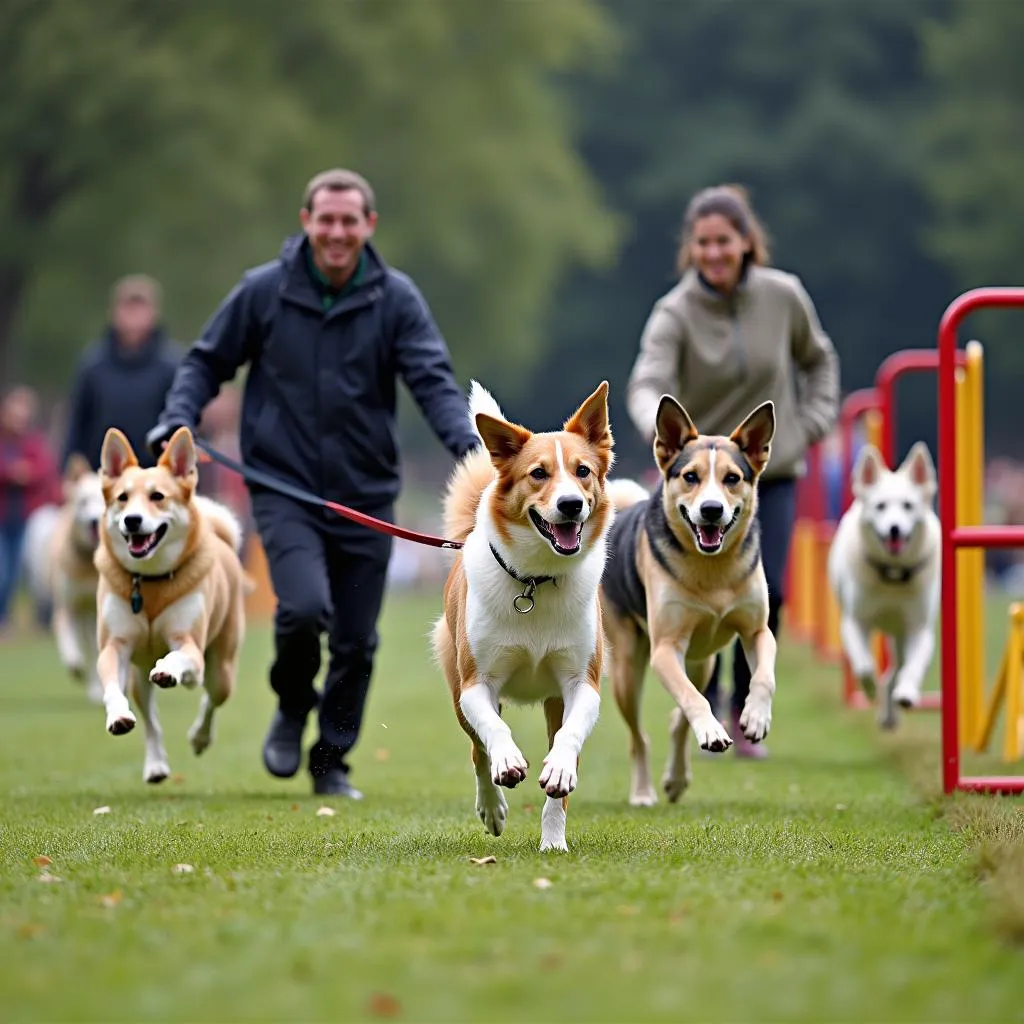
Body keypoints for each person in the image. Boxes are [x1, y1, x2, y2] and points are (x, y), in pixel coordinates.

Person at [146, 168, 480, 798]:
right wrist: (176, 418)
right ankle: (293, 706)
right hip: (284, 487)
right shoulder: (263, 292)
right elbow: (205, 362)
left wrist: (474, 450)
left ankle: (332, 761)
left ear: (368, 226)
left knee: (356, 640)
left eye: (349, 221)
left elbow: (432, 381)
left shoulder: (395, 299)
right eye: (325, 219)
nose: (336, 231)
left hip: (367, 495)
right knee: (301, 610)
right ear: (306, 221)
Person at [625, 184, 840, 758]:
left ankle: (748, 714)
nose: (714, 253)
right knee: (696, 590)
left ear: (746, 242)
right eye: (703, 243)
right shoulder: (674, 312)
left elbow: (818, 361)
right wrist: (663, 433)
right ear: (690, 249)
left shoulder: (783, 296)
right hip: (694, 477)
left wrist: (810, 425)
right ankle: (710, 698)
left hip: (767, 470)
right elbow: (647, 381)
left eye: (724, 241)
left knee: (773, 589)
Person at [62, 275, 181, 471]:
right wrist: (69, 464)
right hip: (102, 474)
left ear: (154, 313)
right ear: (114, 312)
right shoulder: (93, 364)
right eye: (128, 308)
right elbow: (78, 421)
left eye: (140, 308)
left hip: (156, 477)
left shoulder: (171, 366)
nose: (133, 316)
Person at [0, 387, 60, 635]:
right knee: (1, 571)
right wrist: (12, 472)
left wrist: (24, 473)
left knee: (17, 573)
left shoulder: (34, 442)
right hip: (2, 518)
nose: (19, 418)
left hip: (26, 518)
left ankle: (17, 618)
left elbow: (44, 471)